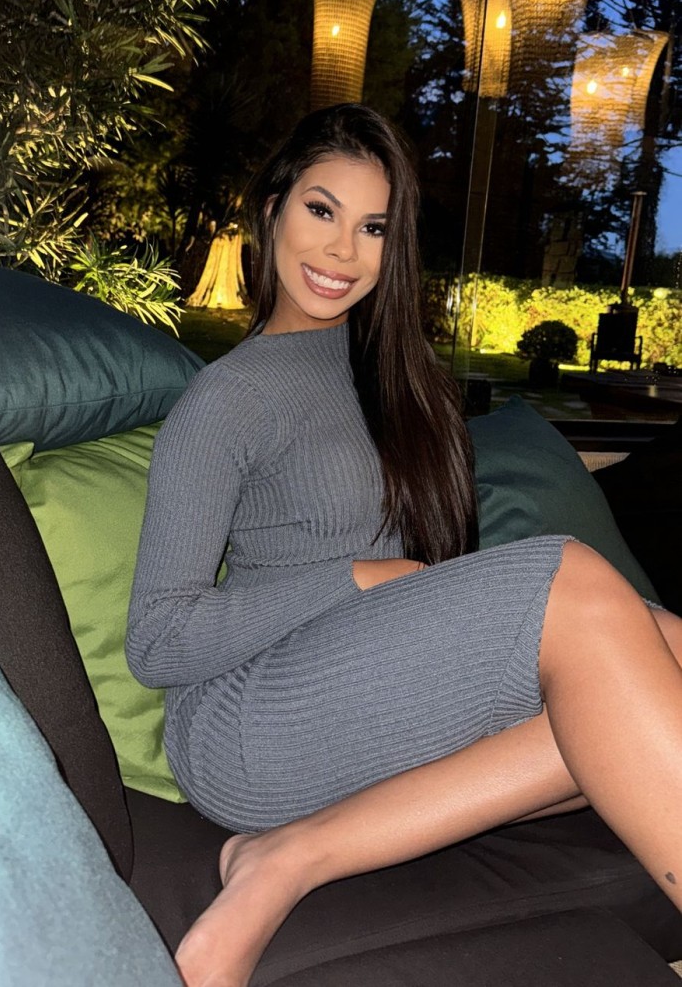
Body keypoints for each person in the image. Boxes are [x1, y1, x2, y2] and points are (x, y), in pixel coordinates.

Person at [127, 104, 682, 987]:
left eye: (373, 227)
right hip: (247, 723)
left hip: (353, 695)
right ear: (271, 210)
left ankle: (291, 857)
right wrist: (350, 577)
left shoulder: (394, 383)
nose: (341, 250)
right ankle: (282, 850)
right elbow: (157, 641)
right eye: (321, 210)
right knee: (570, 581)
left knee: (666, 649)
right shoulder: (226, 399)